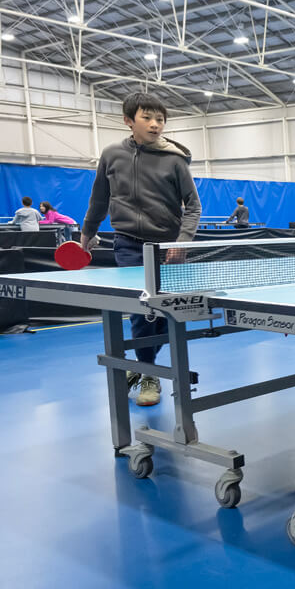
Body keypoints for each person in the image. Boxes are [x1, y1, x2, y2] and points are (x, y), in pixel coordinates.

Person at [81, 91, 202, 407]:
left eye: (160, 119)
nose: (155, 124)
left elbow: (193, 206)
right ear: (128, 120)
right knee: (142, 311)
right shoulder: (111, 155)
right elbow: (99, 199)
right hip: (129, 245)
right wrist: (87, 234)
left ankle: (142, 364)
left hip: (168, 248)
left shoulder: (174, 160)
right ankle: (149, 372)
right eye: (147, 117)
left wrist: (182, 241)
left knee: (166, 313)